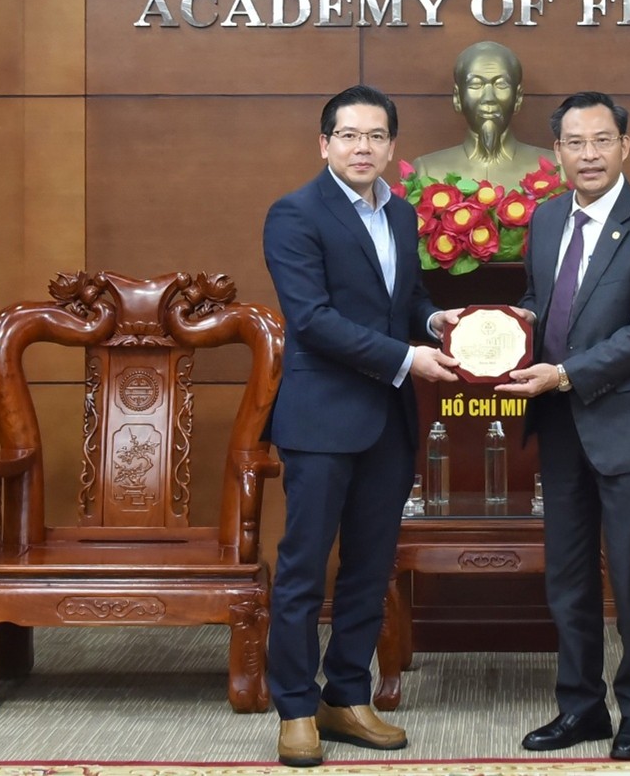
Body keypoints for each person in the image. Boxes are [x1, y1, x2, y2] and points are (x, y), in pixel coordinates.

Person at [263, 84, 462, 768]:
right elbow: (312, 320)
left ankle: (345, 697)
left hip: (387, 422)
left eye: (376, 136)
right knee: (303, 570)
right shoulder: (294, 214)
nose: (362, 147)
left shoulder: (401, 214)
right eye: (349, 135)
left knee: (370, 569)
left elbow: (405, 299)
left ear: (392, 146)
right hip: (321, 421)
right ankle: (295, 707)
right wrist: (408, 357)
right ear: (324, 144)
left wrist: (434, 321)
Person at [496, 91, 630, 761]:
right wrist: (511, 327)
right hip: (560, 427)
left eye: (602, 140)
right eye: (575, 143)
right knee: (569, 579)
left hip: (629, 429)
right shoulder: (548, 219)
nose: (589, 154)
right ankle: (580, 707)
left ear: (624, 147)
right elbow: (541, 302)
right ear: (557, 152)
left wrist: (563, 373)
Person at [410, 40, 557, 189]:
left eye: (501, 84)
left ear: (518, 97)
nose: (489, 98)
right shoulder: (427, 171)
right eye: (476, 84)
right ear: (457, 97)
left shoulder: (554, 168)